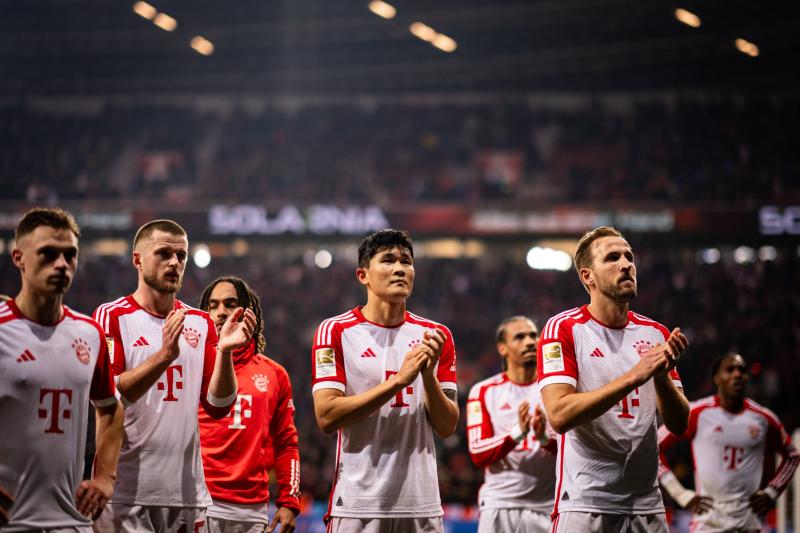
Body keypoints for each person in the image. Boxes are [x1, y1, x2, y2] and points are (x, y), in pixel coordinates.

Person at [92, 219, 256, 533]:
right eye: (164, 254)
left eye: (181, 256)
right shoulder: (112, 315)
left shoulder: (201, 322)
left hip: (186, 493)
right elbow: (108, 396)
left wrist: (225, 353)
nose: (174, 263)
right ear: (137, 260)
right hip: (123, 492)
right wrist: (164, 356)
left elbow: (218, 407)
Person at [536, 226, 690, 533]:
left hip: (647, 504)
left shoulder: (656, 333)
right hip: (585, 503)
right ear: (587, 277)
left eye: (629, 257)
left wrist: (660, 378)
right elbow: (560, 415)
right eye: (612, 258)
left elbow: (679, 423)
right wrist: (634, 376)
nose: (626, 264)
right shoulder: (562, 329)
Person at [311, 229, 459, 533]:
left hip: (422, 503)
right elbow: (326, 416)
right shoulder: (335, 331)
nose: (399, 268)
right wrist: (398, 382)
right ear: (363, 275)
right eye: (388, 260)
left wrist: (427, 378)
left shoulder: (436, 335)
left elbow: (446, 426)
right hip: (358, 502)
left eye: (406, 261)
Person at [0, 207, 124, 531]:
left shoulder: (90, 333)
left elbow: (110, 409)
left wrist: (105, 478)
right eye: (48, 254)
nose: (61, 265)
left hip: (72, 522)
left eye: (70, 255)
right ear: (18, 258)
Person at [198, 276, 300, 533]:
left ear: (248, 313)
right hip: (199, 502)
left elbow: (286, 442)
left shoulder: (274, 374)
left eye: (230, 304)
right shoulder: (192, 364)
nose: (221, 312)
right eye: (213, 305)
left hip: (252, 509)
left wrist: (289, 501)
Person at [658, 352, 800, 533]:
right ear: (716, 378)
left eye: (742, 370)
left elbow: (793, 455)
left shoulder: (764, 418)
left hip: (749, 526)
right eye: (730, 370)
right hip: (707, 526)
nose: (737, 374)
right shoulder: (696, 413)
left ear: (747, 377)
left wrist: (772, 492)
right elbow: (653, 448)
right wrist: (680, 493)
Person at [467, 316, 557, 533]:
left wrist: (544, 438)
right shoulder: (484, 391)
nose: (529, 341)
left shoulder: (555, 388)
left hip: (547, 504)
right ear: (503, 349)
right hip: (500, 503)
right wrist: (517, 433)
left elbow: (572, 449)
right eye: (519, 337)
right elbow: (478, 453)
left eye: (533, 335)